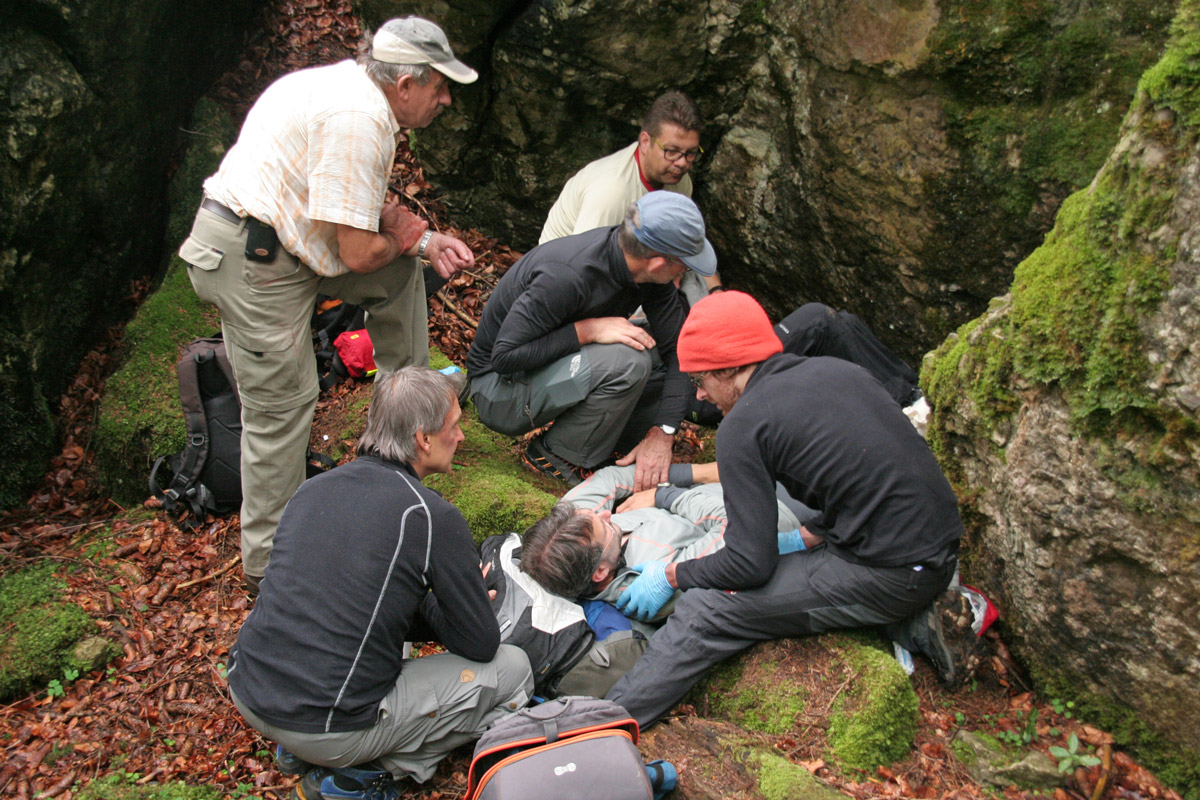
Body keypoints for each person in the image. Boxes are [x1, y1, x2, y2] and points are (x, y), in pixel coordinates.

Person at [177, 17, 478, 593]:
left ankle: (409, 424)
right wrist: (397, 240)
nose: (446, 99)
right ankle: (271, 568)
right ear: (406, 83)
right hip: (252, 263)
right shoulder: (359, 119)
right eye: (440, 85)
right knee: (282, 407)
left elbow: (352, 212)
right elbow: (360, 248)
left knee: (399, 275)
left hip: (283, 249)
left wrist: (420, 242)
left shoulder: (347, 89)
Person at [604, 291, 985, 728]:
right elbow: (862, 480)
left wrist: (671, 575)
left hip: (894, 570)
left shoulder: (744, 426)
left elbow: (749, 565)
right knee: (794, 531)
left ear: (729, 368)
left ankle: (609, 724)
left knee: (708, 608)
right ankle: (916, 623)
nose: (701, 395)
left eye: (702, 380)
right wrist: (803, 538)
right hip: (934, 544)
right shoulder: (837, 371)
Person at [227, 367, 533, 800]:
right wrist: (448, 600)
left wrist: (418, 595)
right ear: (423, 439)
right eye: (454, 426)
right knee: (514, 670)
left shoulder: (313, 490)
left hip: (250, 688)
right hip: (327, 725)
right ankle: (363, 773)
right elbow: (481, 645)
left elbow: (350, 599)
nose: (461, 436)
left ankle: (301, 751)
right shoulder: (430, 516)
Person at [465, 191, 716, 492]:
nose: (684, 272)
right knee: (628, 360)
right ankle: (555, 457)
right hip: (497, 390)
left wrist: (663, 431)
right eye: (684, 265)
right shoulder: (569, 275)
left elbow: (678, 350)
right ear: (658, 262)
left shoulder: (645, 273)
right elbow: (504, 357)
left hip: (546, 373)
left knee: (650, 346)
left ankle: (617, 451)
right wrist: (587, 331)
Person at [520, 463, 822, 622]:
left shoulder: (568, 528)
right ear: (600, 572)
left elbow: (610, 478)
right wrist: (664, 495)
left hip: (727, 485)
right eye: (604, 524)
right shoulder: (651, 582)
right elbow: (745, 524)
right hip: (780, 508)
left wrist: (695, 473)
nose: (606, 513)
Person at [539, 91, 722, 306]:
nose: (682, 163)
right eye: (672, 151)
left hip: (645, 263)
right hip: (567, 281)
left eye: (691, 153)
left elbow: (687, 241)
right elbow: (584, 269)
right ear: (645, 141)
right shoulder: (611, 192)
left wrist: (715, 289)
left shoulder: (678, 179)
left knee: (699, 287)